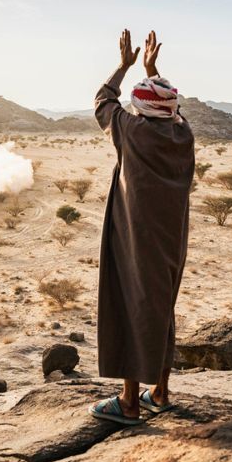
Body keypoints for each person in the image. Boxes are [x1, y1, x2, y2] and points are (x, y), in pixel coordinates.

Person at [88, 30, 195, 425]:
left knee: (133, 305)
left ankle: (129, 401)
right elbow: (170, 108)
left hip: (135, 236)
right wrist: (154, 73)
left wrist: (125, 66)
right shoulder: (182, 134)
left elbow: (103, 100)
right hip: (171, 239)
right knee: (160, 306)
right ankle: (161, 392)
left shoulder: (133, 132)